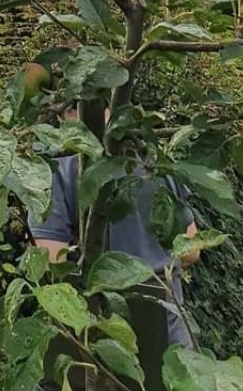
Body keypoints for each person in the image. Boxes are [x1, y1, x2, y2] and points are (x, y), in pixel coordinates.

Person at [28, 146, 199, 388]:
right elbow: (191, 251)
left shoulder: (59, 169)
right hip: (169, 327)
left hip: (98, 333)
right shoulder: (157, 162)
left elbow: (52, 263)